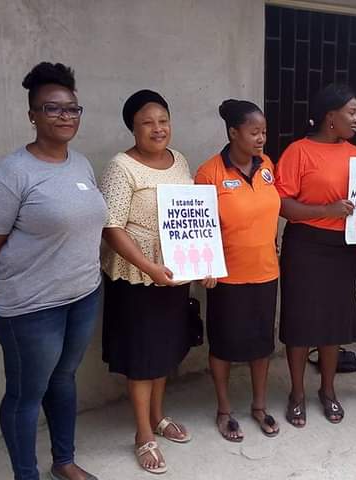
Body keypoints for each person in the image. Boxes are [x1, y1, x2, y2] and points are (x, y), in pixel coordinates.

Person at [0, 62, 104, 480]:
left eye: (72, 108)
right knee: (26, 396)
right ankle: (26, 475)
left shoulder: (80, 164)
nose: (65, 116)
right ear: (32, 115)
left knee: (63, 379)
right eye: (52, 108)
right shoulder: (11, 174)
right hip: (31, 309)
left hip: (83, 296)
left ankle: (64, 461)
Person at [99, 90, 216, 474]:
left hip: (174, 274)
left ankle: (158, 416)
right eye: (147, 123)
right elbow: (111, 227)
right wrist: (148, 266)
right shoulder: (121, 167)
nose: (158, 128)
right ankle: (143, 433)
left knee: (164, 350)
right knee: (142, 357)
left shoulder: (179, 160)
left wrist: (204, 263)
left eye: (163, 120)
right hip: (137, 277)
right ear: (132, 128)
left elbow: (191, 218)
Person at [274, 83, 356, 427]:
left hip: (342, 249)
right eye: (351, 112)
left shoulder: (355, 153)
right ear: (330, 116)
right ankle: (297, 393)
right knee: (300, 322)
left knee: (333, 324)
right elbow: (283, 204)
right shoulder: (298, 152)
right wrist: (327, 210)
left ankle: (328, 389)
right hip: (305, 247)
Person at [194, 99, 281, 442]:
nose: (261, 138)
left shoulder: (267, 165)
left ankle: (259, 406)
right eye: (254, 132)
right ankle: (224, 410)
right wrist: (206, 266)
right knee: (224, 346)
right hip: (226, 278)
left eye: (264, 132)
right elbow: (199, 227)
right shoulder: (209, 173)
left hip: (265, 272)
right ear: (233, 133)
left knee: (262, 344)